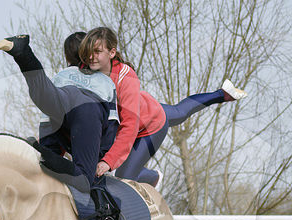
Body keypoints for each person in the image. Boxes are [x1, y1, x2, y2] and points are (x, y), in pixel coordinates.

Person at [77, 27, 247, 187]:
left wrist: (109, 161)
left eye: (97, 52)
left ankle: (153, 176)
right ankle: (223, 94)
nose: (91, 57)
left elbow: (129, 126)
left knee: (123, 178)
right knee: (180, 112)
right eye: (88, 53)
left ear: (112, 52)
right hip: (144, 105)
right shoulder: (85, 71)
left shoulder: (125, 77)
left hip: (147, 126)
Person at [0, 34, 119, 192]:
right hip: (89, 108)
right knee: (84, 181)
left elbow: (48, 116)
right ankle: (43, 154)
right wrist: (102, 158)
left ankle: (24, 54)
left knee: (43, 93)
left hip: (64, 95)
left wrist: (46, 147)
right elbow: (111, 123)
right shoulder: (106, 81)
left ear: (68, 57)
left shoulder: (62, 76)